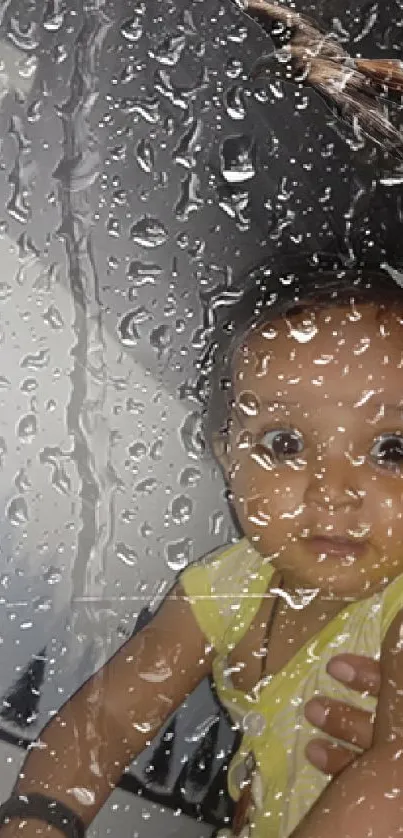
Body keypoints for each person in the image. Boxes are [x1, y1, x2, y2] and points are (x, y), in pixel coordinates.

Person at [1, 2, 403, 838]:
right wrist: (39, 816)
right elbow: (106, 720)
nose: (333, 493)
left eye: (391, 448)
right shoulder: (229, 586)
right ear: (226, 452)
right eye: (285, 444)